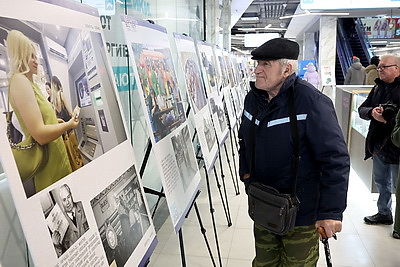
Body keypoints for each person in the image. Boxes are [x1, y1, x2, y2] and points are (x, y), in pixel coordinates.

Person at [238, 38, 350, 266]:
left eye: (265, 64)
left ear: (286, 69)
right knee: (263, 263)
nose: (257, 70)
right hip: (264, 205)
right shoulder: (253, 99)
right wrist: (246, 174)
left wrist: (330, 211)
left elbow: (334, 160)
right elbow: (245, 140)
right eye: (257, 63)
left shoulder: (312, 102)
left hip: (301, 212)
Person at [6, 30, 79, 193]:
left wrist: (56, 123)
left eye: (35, 55)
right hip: (51, 169)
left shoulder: (29, 84)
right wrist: (68, 125)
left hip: (57, 161)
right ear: (20, 55)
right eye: (30, 55)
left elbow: (41, 123)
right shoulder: (20, 81)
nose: (36, 60)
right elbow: (40, 134)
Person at [359, 54, 400, 227]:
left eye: (384, 67)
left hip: (397, 145)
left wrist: (389, 120)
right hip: (378, 145)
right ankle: (384, 212)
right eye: (379, 66)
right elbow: (362, 109)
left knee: (399, 187)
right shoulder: (377, 88)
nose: (379, 69)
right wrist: (372, 113)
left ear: (397, 68)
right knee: (381, 182)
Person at [51, 184, 89, 253]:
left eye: (68, 197)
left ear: (71, 195)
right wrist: (57, 245)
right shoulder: (60, 222)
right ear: (61, 202)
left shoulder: (83, 206)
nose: (67, 202)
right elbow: (64, 252)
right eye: (64, 200)